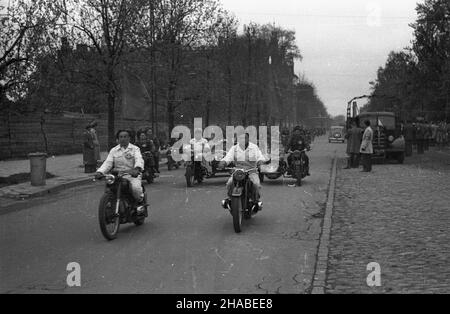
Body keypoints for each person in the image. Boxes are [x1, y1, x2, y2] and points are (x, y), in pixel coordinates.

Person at [95, 130, 146, 214]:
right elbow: (107, 163)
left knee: (136, 188)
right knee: (109, 188)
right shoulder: (114, 150)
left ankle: (140, 202)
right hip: (117, 176)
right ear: (118, 139)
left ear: (129, 138)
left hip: (132, 175)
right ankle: (109, 205)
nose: (123, 139)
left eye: (125, 136)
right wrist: (100, 172)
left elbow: (139, 159)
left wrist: (137, 169)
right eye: (121, 137)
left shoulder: (135, 149)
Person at [219, 133, 266, 211]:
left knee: (256, 185)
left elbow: (260, 156)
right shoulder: (234, 148)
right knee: (229, 183)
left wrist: (260, 162)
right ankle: (231, 199)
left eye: (245, 138)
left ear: (248, 139)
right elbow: (228, 157)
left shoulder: (254, 147)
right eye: (240, 138)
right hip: (238, 171)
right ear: (237, 139)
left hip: (251, 171)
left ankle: (255, 201)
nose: (243, 140)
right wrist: (223, 162)